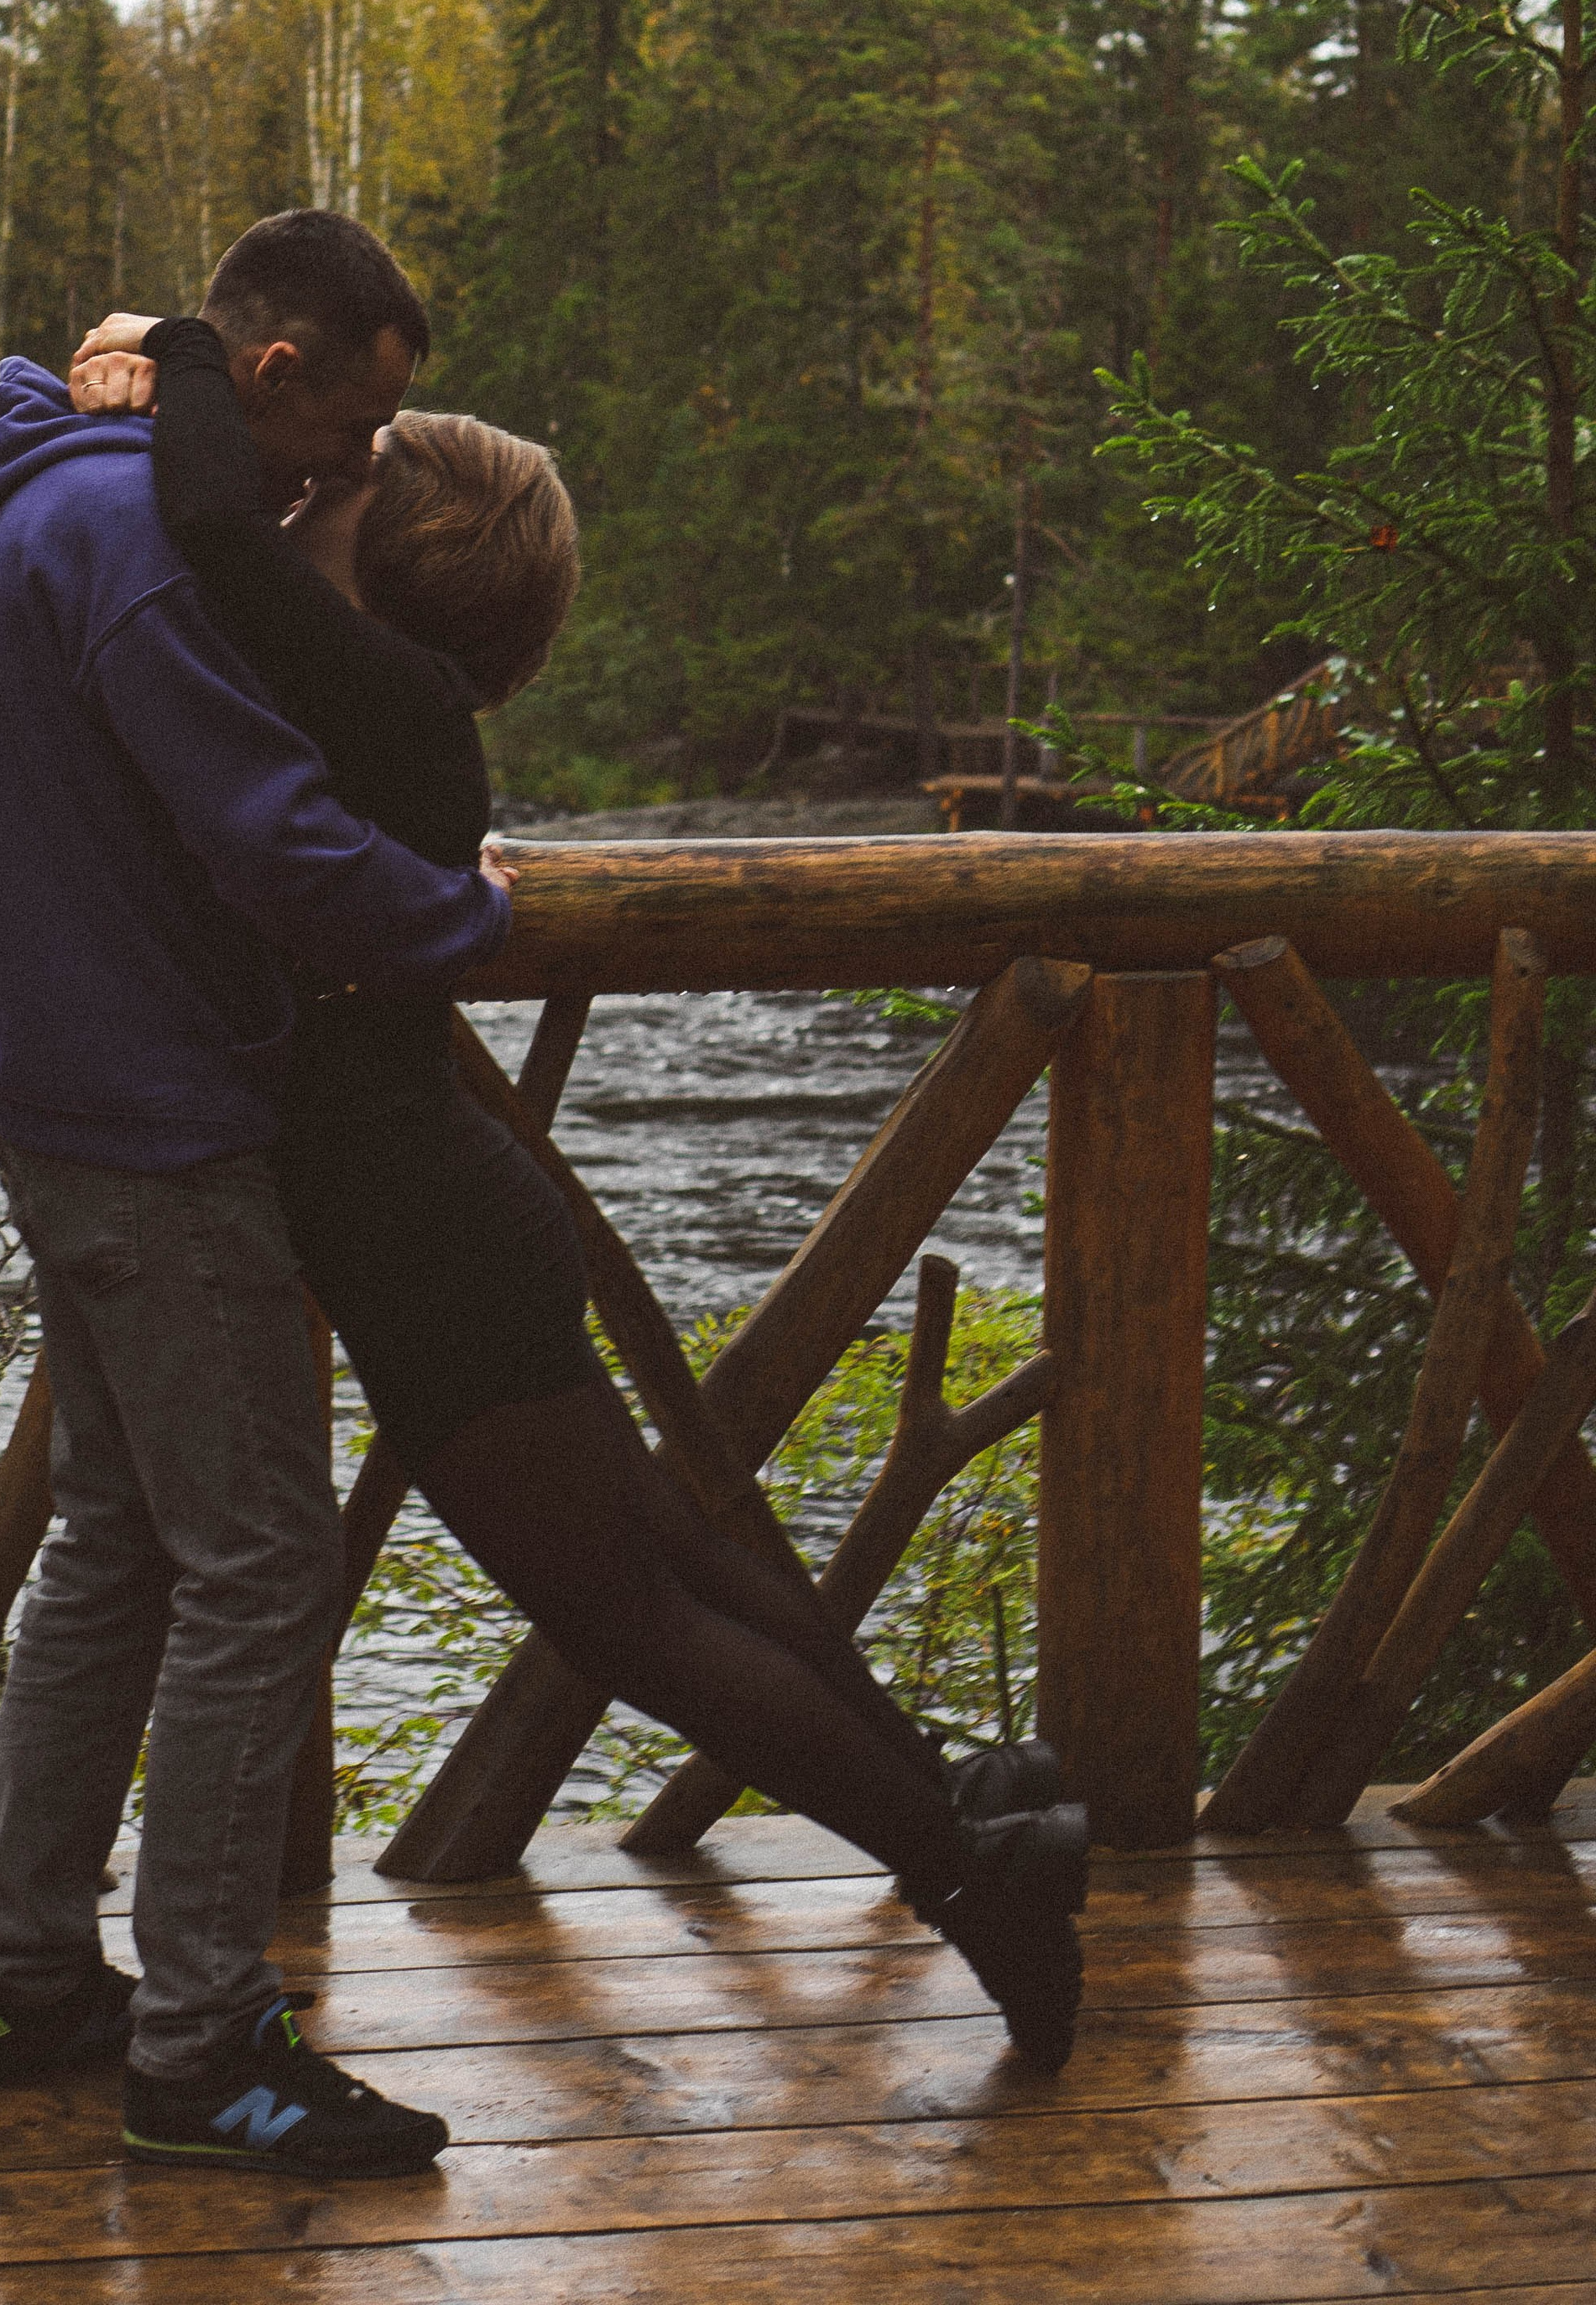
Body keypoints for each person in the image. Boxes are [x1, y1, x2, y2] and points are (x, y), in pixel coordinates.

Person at [60, 304, 1092, 2077]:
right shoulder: (387, 708)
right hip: (444, 1209)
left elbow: (213, 529)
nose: (308, 493)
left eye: (349, 495)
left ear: (382, 565)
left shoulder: (337, 682)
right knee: (662, 1565)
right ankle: (967, 1809)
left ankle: (963, 1874)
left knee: (626, 1616)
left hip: (418, 1231)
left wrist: (180, 349)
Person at [0, 211, 518, 2179]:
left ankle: (24, 1971)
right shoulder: (142, 553)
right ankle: (198, 2049)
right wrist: (464, 915)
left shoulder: (54, 483)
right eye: (348, 436)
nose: (350, 479)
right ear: (272, 374)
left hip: (59, 1086)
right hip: (159, 1126)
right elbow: (274, 839)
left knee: (118, 1536)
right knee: (261, 1559)